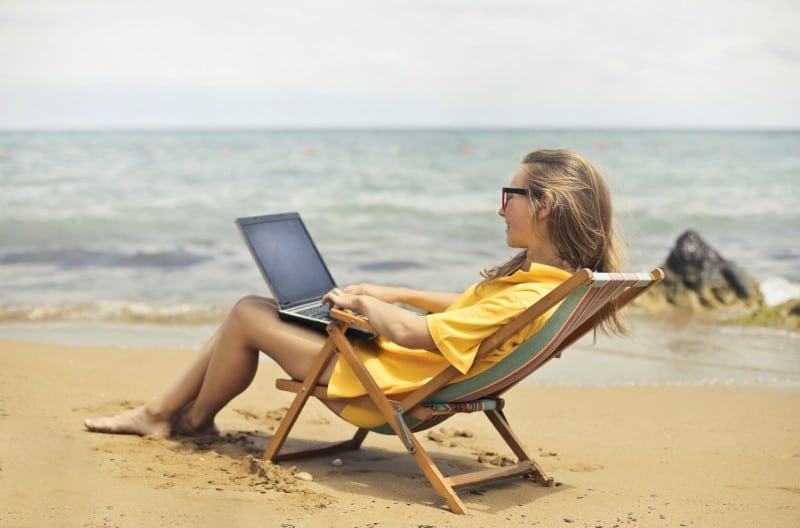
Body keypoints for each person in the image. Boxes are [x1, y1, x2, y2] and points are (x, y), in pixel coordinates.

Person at [84, 149, 625, 436]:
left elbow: (418, 334)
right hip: (402, 370)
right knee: (267, 310)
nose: (501, 206)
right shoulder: (544, 285)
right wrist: (386, 290)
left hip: (385, 387)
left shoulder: (523, 294)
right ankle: (170, 414)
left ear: (545, 205)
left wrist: (365, 306)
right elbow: (464, 312)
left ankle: (181, 419)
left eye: (509, 195)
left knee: (248, 312)